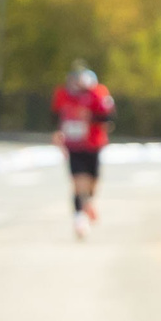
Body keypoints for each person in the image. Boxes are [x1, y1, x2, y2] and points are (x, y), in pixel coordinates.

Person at [52, 63, 114, 236]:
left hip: (93, 144)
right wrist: (58, 134)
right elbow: (57, 116)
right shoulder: (64, 95)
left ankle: (88, 204)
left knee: (93, 182)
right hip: (74, 145)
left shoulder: (97, 94)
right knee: (79, 183)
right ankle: (79, 218)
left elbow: (107, 116)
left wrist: (89, 116)